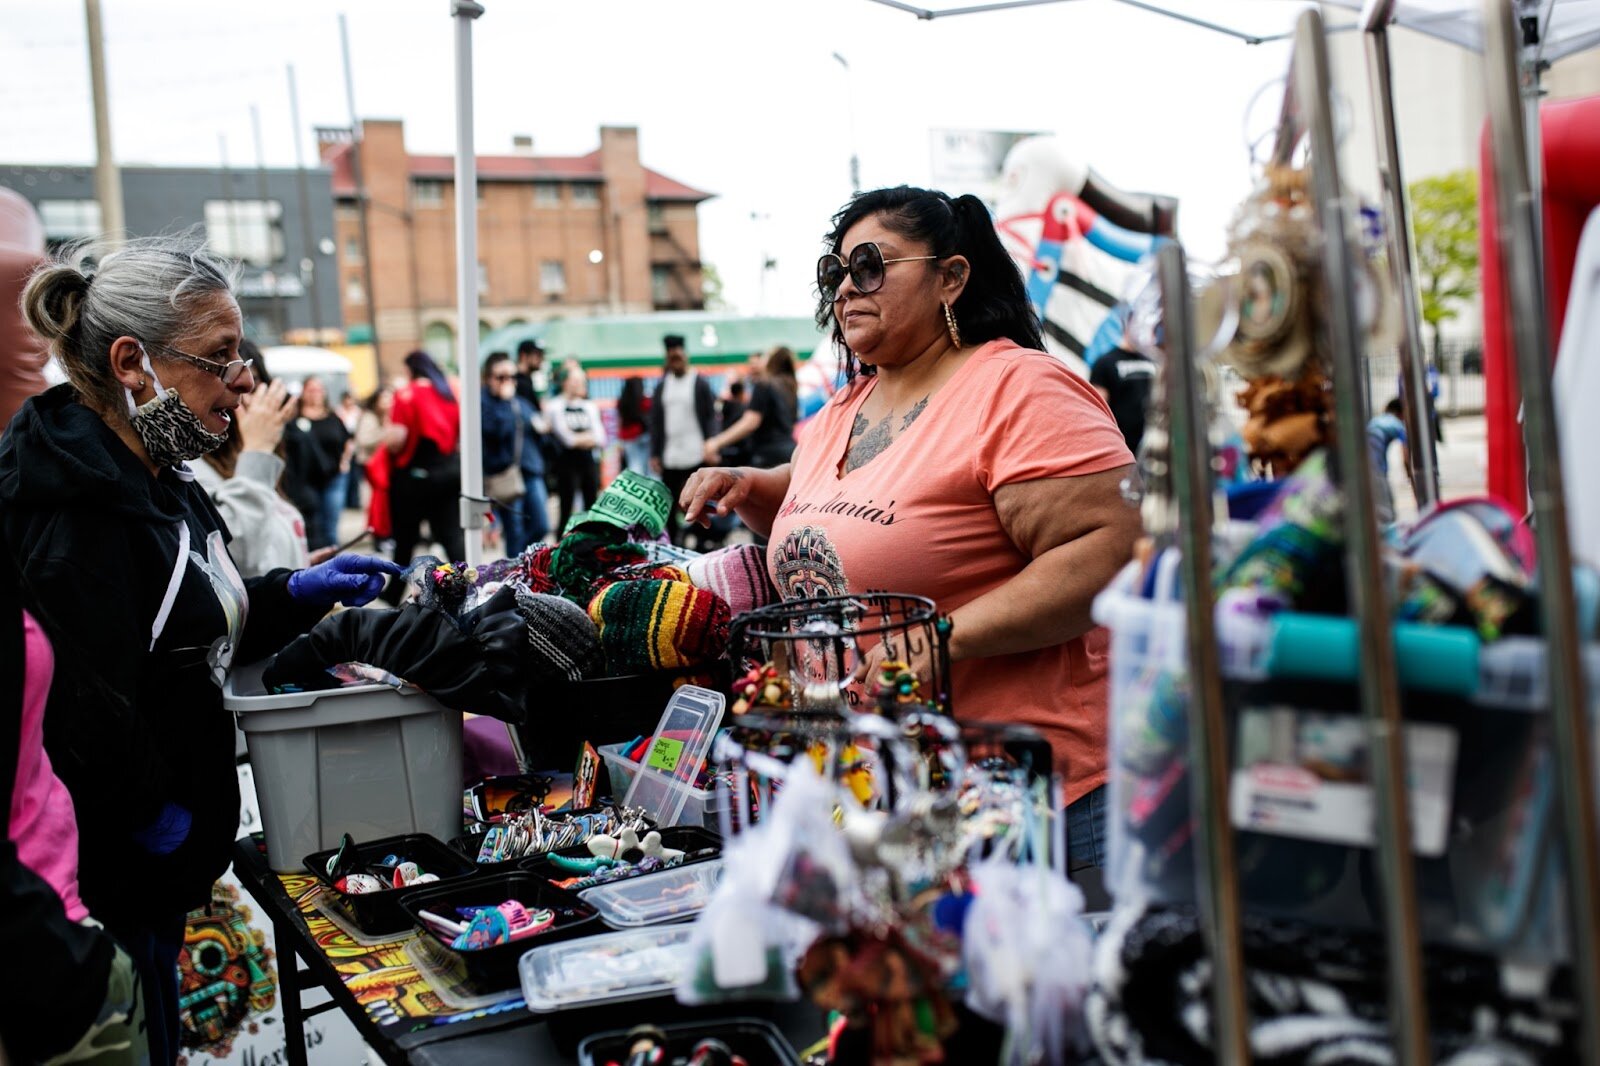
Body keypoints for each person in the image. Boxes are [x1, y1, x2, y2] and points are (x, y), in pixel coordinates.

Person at [1, 236, 401, 1062]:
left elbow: (184, 616)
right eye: (218, 359)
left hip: (163, 861)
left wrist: (286, 595)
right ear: (132, 364)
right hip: (108, 878)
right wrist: (155, 813)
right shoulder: (74, 516)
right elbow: (82, 703)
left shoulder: (154, 466)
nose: (241, 382)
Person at [680, 187, 1140, 896]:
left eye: (870, 266)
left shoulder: (1019, 390)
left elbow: (1111, 555)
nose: (845, 288)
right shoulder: (848, 405)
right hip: (892, 799)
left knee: (1033, 1006)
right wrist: (756, 486)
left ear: (951, 276)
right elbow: (856, 527)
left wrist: (939, 638)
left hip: (1030, 803)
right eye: (835, 271)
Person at [192, 351, 314, 577]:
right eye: (231, 373)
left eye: (256, 380)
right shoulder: (193, 469)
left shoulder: (255, 458)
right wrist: (258, 448)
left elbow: (263, 551)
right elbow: (236, 554)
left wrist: (297, 564)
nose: (247, 389)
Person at [387, 349, 465, 569]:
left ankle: (395, 589)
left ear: (411, 369)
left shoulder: (405, 394)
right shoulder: (449, 392)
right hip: (448, 470)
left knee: (405, 539)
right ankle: (468, 582)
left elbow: (397, 439)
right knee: (452, 537)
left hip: (415, 475)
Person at [649, 333, 716, 545]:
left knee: (696, 502)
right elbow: (656, 422)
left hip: (695, 453)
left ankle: (700, 543)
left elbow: (710, 417)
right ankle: (673, 544)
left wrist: (711, 444)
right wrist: (655, 453)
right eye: (671, 356)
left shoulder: (699, 383)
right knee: (668, 505)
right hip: (670, 455)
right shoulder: (662, 386)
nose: (675, 360)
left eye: (678, 354)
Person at [480, 351, 548, 557]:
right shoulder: (484, 404)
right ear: (488, 379)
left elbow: (538, 430)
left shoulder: (520, 402)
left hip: (530, 470)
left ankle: (520, 562)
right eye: (501, 377)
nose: (508, 382)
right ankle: (515, 571)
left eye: (512, 377)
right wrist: (505, 405)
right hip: (505, 474)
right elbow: (497, 432)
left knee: (541, 525)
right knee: (514, 531)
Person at [704, 345, 799, 469]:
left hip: (767, 457)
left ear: (770, 361)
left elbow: (750, 422)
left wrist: (716, 442)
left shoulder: (764, 384)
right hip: (789, 454)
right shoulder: (789, 387)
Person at [549, 363, 606, 537]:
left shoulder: (589, 406)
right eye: (575, 381)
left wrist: (582, 440)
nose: (580, 385)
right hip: (566, 463)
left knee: (591, 505)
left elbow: (600, 437)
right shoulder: (555, 406)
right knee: (566, 506)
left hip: (587, 461)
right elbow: (567, 439)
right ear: (565, 382)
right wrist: (587, 439)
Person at [1089, 314, 1158, 452]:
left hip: (1149, 446)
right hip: (1121, 448)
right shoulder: (1105, 362)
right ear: (1127, 324)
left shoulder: (1151, 361)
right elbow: (1097, 411)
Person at [300, 376, 353, 550]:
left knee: (330, 524)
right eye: (311, 389)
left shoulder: (332, 417)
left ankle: (333, 564)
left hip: (334, 476)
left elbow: (348, 440)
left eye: (319, 389)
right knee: (313, 524)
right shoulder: (297, 419)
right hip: (308, 479)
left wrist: (345, 461)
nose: (316, 394)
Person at [1368, 397, 1410, 526]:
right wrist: (1409, 474)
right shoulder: (1398, 425)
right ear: (1402, 414)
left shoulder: (1376, 421)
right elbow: (1406, 454)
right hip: (1374, 466)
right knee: (1387, 510)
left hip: (1362, 461)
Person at [616, 375, 653, 475]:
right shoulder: (645, 400)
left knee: (634, 465)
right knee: (648, 467)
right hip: (644, 435)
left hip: (628, 437)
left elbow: (620, 421)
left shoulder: (622, 401)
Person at [514, 337, 549, 406]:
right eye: (538, 355)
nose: (542, 359)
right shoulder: (514, 381)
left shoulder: (528, 379)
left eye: (542, 355)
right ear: (523, 356)